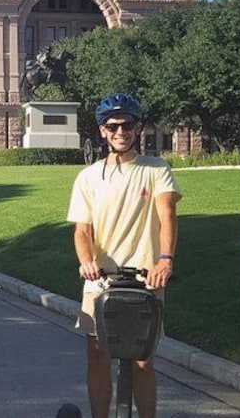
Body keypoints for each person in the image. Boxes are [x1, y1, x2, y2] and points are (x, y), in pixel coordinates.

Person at [66, 93, 181, 418]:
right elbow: (82, 230)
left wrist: (165, 260)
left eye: (127, 124)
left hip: (146, 277)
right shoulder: (88, 176)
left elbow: (168, 214)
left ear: (138, 127)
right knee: (96, 352)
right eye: (112, 125)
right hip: (101, 280)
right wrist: (87, 261)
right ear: (102, 131)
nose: (120, 131)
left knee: (143, 360)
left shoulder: (156, 169)